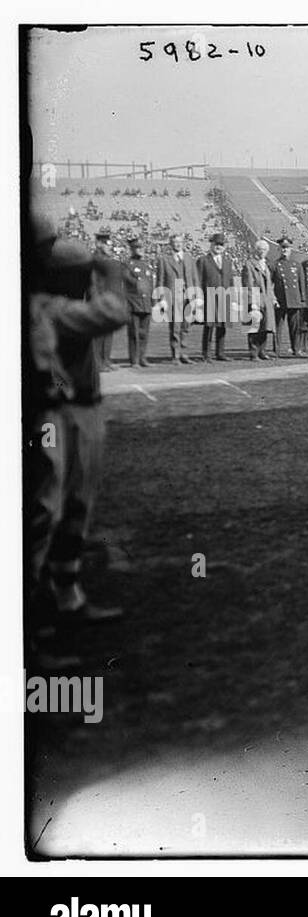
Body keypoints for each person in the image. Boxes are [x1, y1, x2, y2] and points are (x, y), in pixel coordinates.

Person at [27, 215, 130, 635]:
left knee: (71, 509)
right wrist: (110, 275)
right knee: (48, 511)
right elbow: (112, 311)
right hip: (65, 412)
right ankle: (36, 616)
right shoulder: (49, 306)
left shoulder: (49, 301)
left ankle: (65, 596)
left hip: (74, 409)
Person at [155, 233, 198, 364]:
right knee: (175, 327)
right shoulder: (164, 260)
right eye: (175, 242)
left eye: (180, 242)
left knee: (186, 327)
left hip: (188, 297)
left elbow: (195, 278)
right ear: (171, 244)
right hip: (173, 297)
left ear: (183, 243)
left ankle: (184, 354)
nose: (177, 244)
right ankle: (176, 355)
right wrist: (161, 299)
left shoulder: (189, 258)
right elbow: (160, 281)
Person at [196, 232, 235, 361]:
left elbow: (230, 281)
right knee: (209, 327)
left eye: (221, 244)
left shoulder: (227, 261)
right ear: (211, 244)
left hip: (224, 296)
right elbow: (199, 280)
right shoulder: (203, 260)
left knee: (222, 327)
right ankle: (206, 353)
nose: (219, 246)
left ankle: (220, 352)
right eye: (216, 244)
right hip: (209, 297)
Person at [88, 228, 123, 371]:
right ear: (99, 245)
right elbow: (92, 283)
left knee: (108, 333)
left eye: (110, 245)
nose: (110, 247)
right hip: (99, 302)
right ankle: (97, 363)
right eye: (107, 244)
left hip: (109, 301)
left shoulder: (108, 261)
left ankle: (106, 360)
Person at [122, 236, 157, 367]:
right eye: (137, 248)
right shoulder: (127, 264)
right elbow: (127, 281)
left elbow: (151, 284)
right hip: (133, 303)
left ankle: (142, 357)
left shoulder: (147, 264)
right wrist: (138, 284)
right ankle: (134, 360)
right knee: (134, 333)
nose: (140, 250)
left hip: (146, 304)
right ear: (132, 249)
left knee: (144, 333)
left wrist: (153, 302)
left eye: (142, 247)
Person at [242, 238, 277, 361]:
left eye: (265, 250)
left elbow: (269, 285)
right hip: (255, 298)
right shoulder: (249, 264)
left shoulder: (266, 264)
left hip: (266, 299)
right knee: (254, 327)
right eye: (260, 249)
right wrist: (252, 302)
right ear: (256, 250)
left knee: (265, 327)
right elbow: (248, 284)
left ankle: (262, 351)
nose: (262, 252)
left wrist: (273, 299)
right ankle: (253, 353)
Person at [272, 236, 306, 356]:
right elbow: (270, 284)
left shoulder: (296, 265)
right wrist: (273, 298)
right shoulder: (275, 265)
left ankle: (296, 349)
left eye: (287, 248)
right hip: (280, 301)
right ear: (279, 249)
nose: (284, 250)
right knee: (277, 327)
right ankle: (276, 350)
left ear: (290, 249)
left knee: (295, 328)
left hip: (294, 300)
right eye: (282, 248)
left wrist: (302, 300)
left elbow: (301, 284)